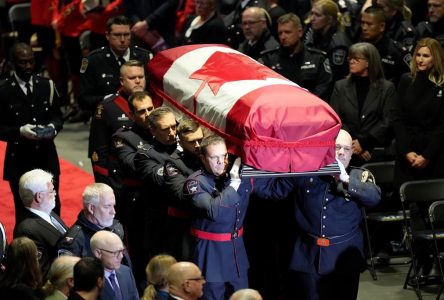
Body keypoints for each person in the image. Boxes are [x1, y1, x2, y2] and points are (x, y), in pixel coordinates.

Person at [183, 135, 295, 300]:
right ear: (203, 158)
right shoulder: (195, 184)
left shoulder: (239, 176)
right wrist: (234, 184)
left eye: (224, 156)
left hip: (236, 252)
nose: (221, 162)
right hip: (210, 254)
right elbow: (215, 211)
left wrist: (296, 170)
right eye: (215, 158)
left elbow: (274, 190)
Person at [287, 129, 381, 300]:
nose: (341, 153)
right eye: (337, 147)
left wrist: (344, 179)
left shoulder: (358, 176)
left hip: (344, 259)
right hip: (309, 257)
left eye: (346, 148)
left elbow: (374, 197)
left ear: (353, 153)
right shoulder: (308, 173)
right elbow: (275, 191)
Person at [0, 43, 63, 224]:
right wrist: (19, 131)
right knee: (23, 210)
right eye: (22, 62)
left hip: (46, 156)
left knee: (52, 205)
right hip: (19, 159)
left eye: (31, 61)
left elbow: (57, 116)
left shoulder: (47, 86)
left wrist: (53, 127)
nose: (28, 66)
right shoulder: (4, 90)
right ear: (13, 63)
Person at [88, 60, 146, 212]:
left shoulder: (152, 103)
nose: (138, 81)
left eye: (141, 76)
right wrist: (105, 185)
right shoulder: (107, 107)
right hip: (119, 181)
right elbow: (97, 151)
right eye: (132, 78)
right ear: (122, 81)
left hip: (147, 179)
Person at [111, 90, 154, 286]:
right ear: (132, 115)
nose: (148, 114)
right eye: (142, 111)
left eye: (151, 109)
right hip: (136, 200)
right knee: (138, 249)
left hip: (159, 198)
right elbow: (132, 165)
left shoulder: (165, 129)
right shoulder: (123, 136)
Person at [329, 42, 396, 166]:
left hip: (375, 152)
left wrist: (365, 142)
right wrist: (354, 144)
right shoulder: (340, 86)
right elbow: (336, 119)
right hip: (346, 151)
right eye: (350, 58)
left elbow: (388, 121)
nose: (351, 61)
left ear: (369, 62)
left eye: (356, 58)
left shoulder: (387, 88)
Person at [393, 37, 444, 187]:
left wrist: (427, 155)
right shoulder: (406, 80)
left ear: (436, 58)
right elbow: (397, 118)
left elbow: (442, 126)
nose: (420, 60)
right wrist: (406, 151)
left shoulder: (441, 85)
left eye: (426, 56)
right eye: (418, 55)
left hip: (434, 153)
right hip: (407, 150)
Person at [78, 15, 152, 116]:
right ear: (107, 36)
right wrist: (109, 100)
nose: (122, 39)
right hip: (106, 116)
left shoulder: (145, 57)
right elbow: (83, 99)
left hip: (140, 115)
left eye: (126, 35)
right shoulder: (91, 61)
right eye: (117, 35)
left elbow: (153, 92)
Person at [134, 107, 180, 260]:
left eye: (174, 126)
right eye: (165, 129)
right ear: (153, 130)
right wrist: (179, 156)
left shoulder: (184, 145)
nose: (172, 133)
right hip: (162, 224)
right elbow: (158, 178)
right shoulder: (144, 154)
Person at [259, 13, 332, 101]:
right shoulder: (268, 59)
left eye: (287, 32)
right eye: (280, 33)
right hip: (279, 107)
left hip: (311, 107)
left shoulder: (317, 59)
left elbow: (324, 87)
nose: (283, 37)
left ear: (300, 32)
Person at [14, 169, 68, 277]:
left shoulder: (49, 212)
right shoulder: (28, 231)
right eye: (52, 190)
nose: (55, 193)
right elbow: (41, 274)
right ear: (39, 196)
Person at [163, 119, 204, 261]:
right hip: (183, 227)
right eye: (192, 142)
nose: (198, 145)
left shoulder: (207, 156)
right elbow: (182, 195)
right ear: (180, 143)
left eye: (200, 140)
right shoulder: (173, 163)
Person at [57, 183, 125, 258]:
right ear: (91, 208)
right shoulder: (74, 243)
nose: (113, 212)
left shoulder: (116, 228)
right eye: (107, 206)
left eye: (113, 205)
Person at [360, 6, 411, 85]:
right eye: (362, 23)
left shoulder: (397, 52)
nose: (364, 28)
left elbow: (407, 82)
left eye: (369, 24)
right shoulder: (358, 47)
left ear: (382, 26)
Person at [304, 0, 351, 82]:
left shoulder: (338, 45)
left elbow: (335, 77)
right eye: (312, 13)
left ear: (329, 19)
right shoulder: (313, 33)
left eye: (317, 15)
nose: (312, 19)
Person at [90, 231, 139, 300]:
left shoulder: (126, 271)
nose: (121, 256)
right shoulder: (89, 280)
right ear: (98, 253)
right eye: (116, 252)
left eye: (122, 251)